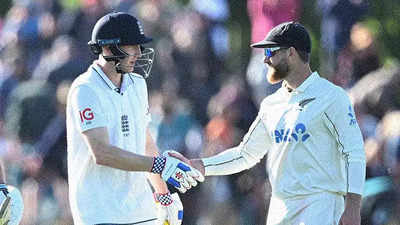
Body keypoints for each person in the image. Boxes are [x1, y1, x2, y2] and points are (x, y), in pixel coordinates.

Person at [171, 21, 366, 225]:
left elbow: (354, 153)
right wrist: (200, 165)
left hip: (320, 205)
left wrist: (353, 206)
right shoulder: (271, 104)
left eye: (271, 51)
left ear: (291, 53)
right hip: (279, 207)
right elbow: (245, 154)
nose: (265, 60)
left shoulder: (331, 96)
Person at [66, 12, 203, 225]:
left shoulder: (137, 84)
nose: (139, 53)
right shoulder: (86, 89)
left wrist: (162, 193)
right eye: (132, 46)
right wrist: (159, 165)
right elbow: (102, 153)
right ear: (109, 48)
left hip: (141, 210)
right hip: (100, 212)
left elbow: (146, 143)